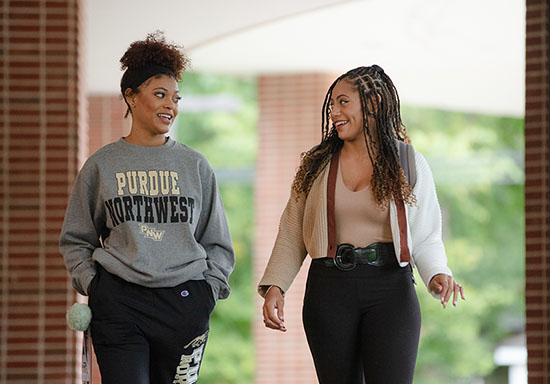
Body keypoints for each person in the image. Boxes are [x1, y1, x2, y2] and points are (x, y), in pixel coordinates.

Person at [258, 65, 465, 383]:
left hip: (390, 289)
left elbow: (424, 235)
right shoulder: (316, 166)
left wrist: (437, 273)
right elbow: (292, 231)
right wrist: (276, 286)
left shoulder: (408, 163)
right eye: (331, 105)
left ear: (375, 103)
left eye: (343, 102)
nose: (334, 112)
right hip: (328, 292)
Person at [60, 32, 235, 384]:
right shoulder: (102, 165)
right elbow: (76, 238)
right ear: (131, 96)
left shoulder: (195, 166)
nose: (170, 105)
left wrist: (208, 292)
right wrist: (95, 285)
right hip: (120, 302)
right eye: (159, 95)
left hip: (185, 302)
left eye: (175, 98)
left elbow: (217, 242)